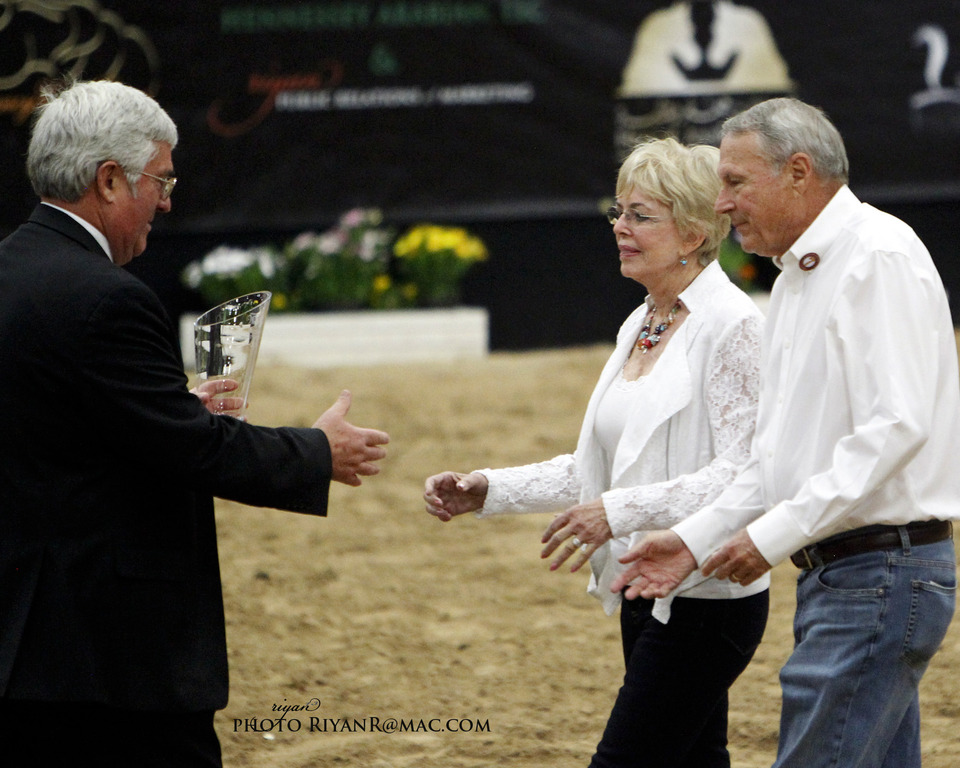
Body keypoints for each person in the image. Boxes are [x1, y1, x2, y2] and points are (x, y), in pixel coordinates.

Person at [0, 79, 390, 767]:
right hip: (106, 656)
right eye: (162, 178)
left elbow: (89, 423)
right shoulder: (106, 300)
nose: (169, 199)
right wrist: (316, 451)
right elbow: (188, 448)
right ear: (110, 179)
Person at [612, 97, 960, 768]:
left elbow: (896, 429)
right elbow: (776, 456)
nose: (721, 204)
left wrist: (768, 537)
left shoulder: (875, 259)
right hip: (854, 576)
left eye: (736, 183)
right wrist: (695, 539)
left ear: (798, 172)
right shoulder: (802, 277)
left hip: (878, 576)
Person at [424, 137, 768, 768]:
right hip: (642, 586)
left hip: (705, 601)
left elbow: (744, 473)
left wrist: (616, 510)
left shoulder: (733, 324)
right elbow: (600, 467)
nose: (620, 228)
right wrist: (488, 490)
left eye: (640, 215)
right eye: (618, 212)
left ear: (693, 234)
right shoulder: (641, 322)